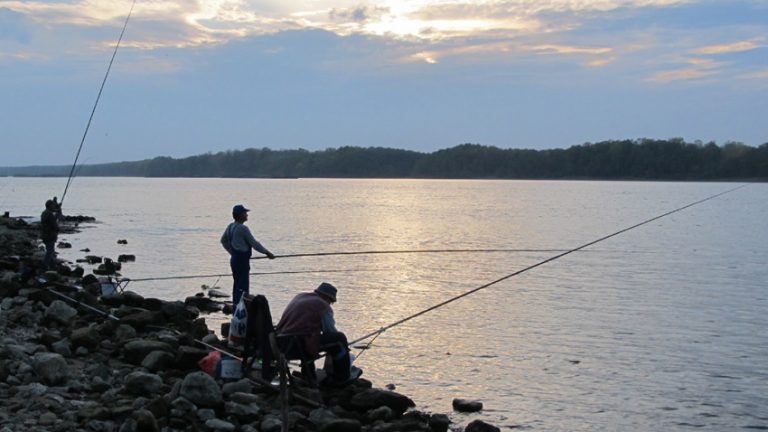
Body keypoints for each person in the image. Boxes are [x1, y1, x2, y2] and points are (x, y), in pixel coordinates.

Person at [276, 282, 358, 383]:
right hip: (296, 346)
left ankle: (309, 376)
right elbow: (330, 331)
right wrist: (345, 346)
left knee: (309, 336)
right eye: (331, 302)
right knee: (340, 339)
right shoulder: (322, 306)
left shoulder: (300, 297)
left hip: (281, 343)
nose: (330, 304)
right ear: (328, 298)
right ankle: (342, 378)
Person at [220, 204, 275, 306]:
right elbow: (254, 243)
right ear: (240, 215)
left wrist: (232, 252)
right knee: (243, 286)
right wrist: (267, 253)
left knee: (237, 285)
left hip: (234, 259)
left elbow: (223, 241)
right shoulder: (243, 228)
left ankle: (236, 307)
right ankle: (242, 310)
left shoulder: (230, 226)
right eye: (245, 213)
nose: (247, 215)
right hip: (242, 260)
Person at [40, 199, 59, 269]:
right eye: (53, 205)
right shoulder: (49, 214)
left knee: (50, 251)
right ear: (50, 206)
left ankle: (52, 266)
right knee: (50, 251)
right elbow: (54, 225)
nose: (54, 207)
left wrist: (57, 212)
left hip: (44, 235)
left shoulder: (44, 213)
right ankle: (45, 265)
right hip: (49, 235)